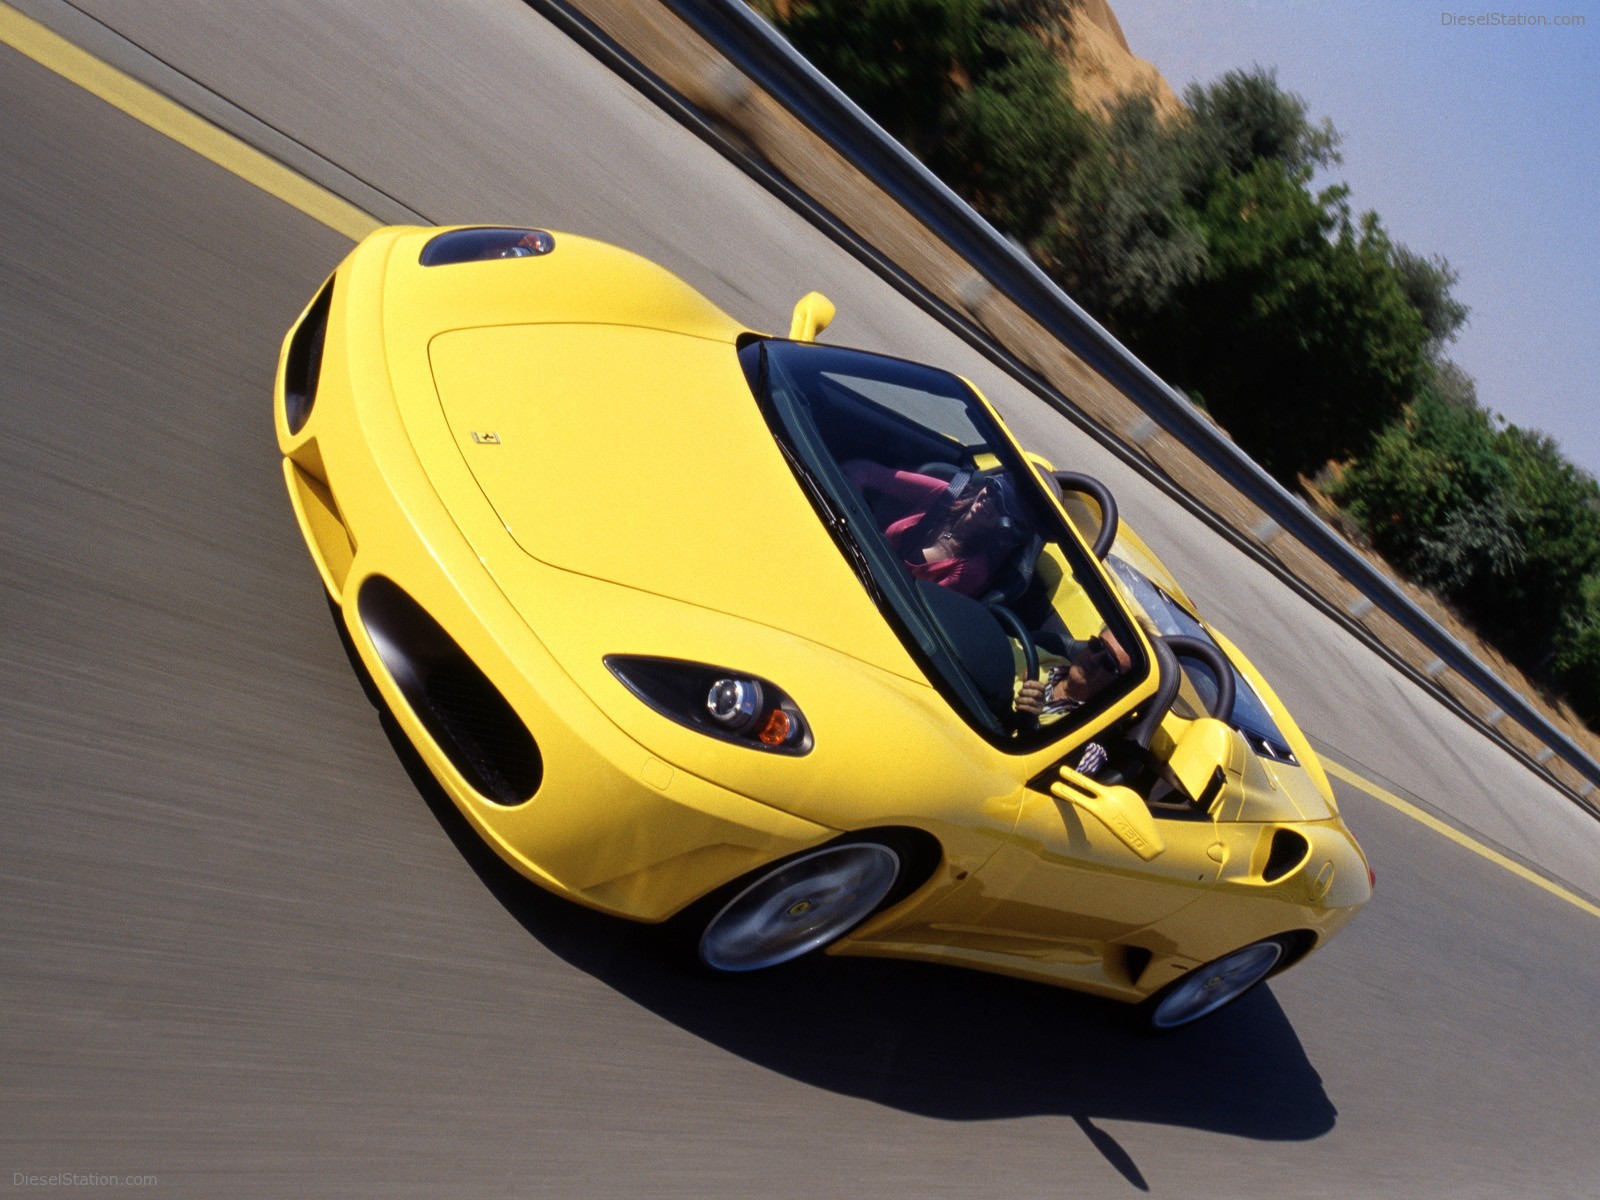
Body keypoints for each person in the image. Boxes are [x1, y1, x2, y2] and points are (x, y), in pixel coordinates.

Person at [844, 460, 1028, 597]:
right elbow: (862, 470)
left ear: (1006, 524)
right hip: (848, 554)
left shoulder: (971, 570)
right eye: (995, 489)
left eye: (1002, 506)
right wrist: (848, 521)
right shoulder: (944, 495)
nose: (991, 501)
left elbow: (915, 609)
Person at [1015, 629, 1132, 719]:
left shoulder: (1086, 734)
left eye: (1108, 662)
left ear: (1118, 687)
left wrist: (1032, 724)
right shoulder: (1037, 655)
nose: (1093, 658)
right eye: (1096, 645)